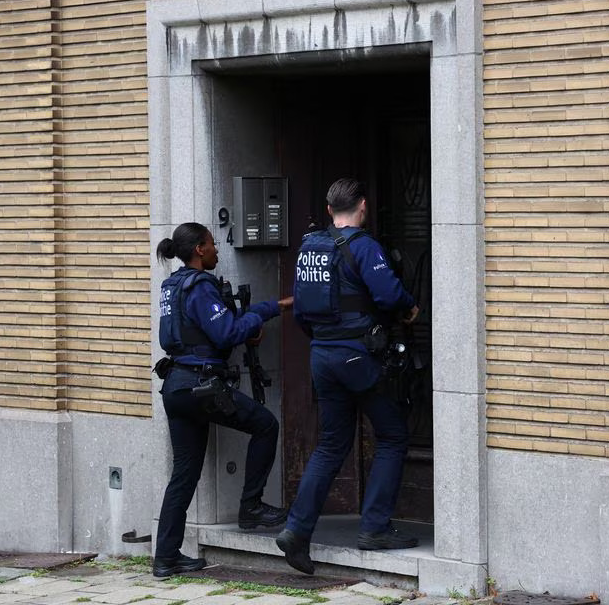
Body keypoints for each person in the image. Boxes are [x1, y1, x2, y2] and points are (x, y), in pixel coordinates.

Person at [277, 178, 420, 575]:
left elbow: (303, 310)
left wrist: (326, 340)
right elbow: (390, 296)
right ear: (362, 205)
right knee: (392, 434)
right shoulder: (363, 246)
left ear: (328, 210)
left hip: (321, 354)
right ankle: (374, 528)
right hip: (358, 356)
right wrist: (410, 309)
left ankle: (296, 531)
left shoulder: (310, 247)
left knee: (330, 445)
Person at [152, 222, 293, 577]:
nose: (217, 250)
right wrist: (265, 312)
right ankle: (251, 507)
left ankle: (166, 557)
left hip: (176, 386)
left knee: (183, 474)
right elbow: (226, 331)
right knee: (265, 424)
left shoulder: (172, 285)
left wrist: (263, 310)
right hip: (201, 386)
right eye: (213, 244)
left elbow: (197, 333)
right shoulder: (200, 286)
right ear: (199, 249)